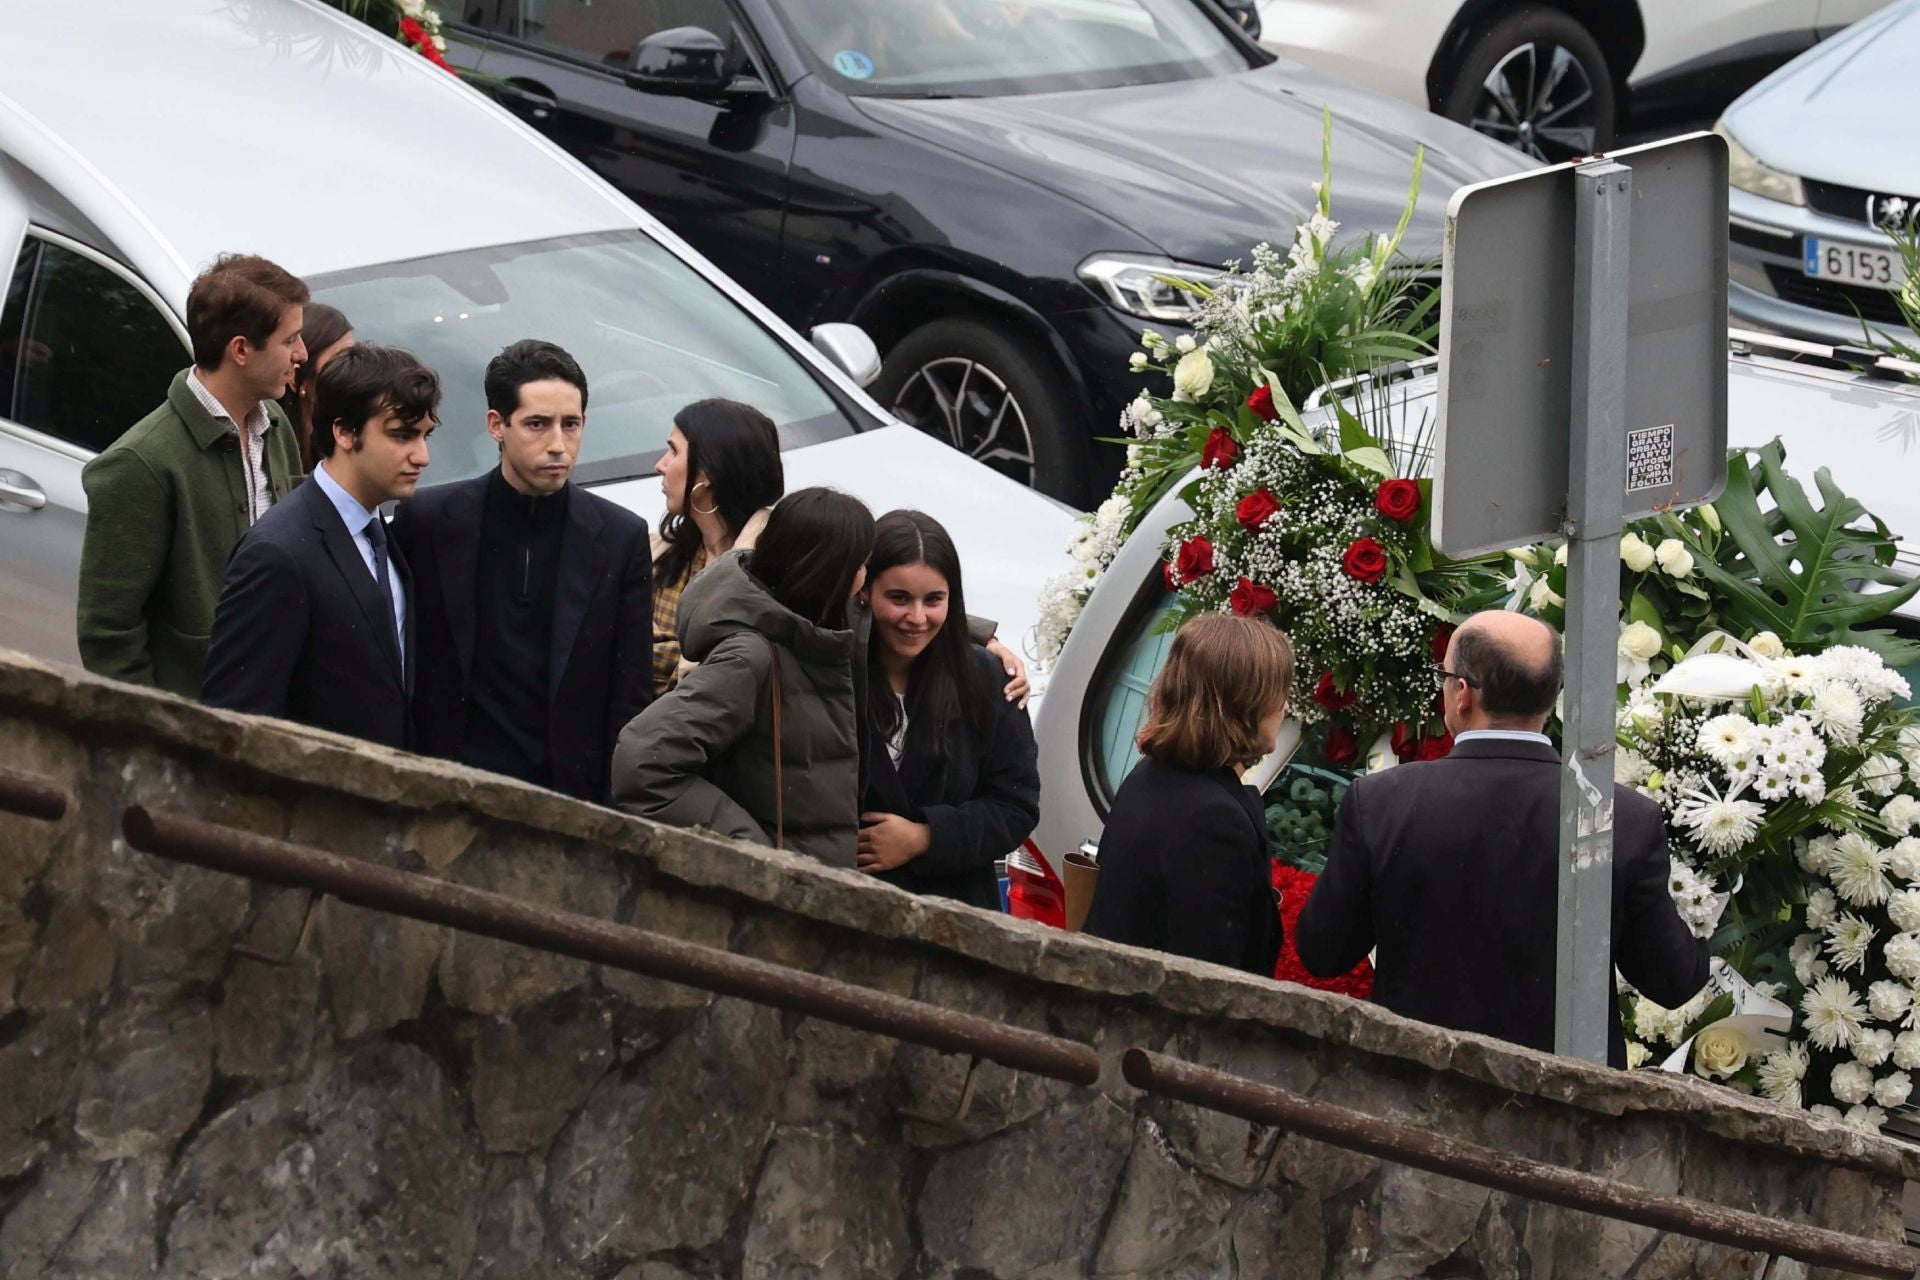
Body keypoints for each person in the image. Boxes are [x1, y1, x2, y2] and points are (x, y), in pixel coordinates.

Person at [1293, 610, 1709, 1067]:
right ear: (1550, 695)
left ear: (1463, 694)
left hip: (1415, 1083)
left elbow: (1323, 951)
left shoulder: (1382, 802)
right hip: (1565, 1095)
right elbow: (1672, 981)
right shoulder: (1622, 817)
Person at [389, 340, 653, 803]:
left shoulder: (620, 537)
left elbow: (630, 689)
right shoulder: (428, 522)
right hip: (448, 787)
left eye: (570, 424)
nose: (558, 445)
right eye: (537, 424)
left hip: (568, 794)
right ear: (497, 425)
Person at [76, 253, 309, 697]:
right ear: (241, 350)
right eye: (290, 340)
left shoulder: (275, 424)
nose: (302, 354)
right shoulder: (138, 464)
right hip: (197, 719)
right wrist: (157, 726)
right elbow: (108, 635)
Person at [613, 487, 874, 865]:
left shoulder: (820, 637)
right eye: (861, 565)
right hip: (775, 891)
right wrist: (751, 851)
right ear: (831, 572)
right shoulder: (751, 657)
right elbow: (642, 762)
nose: (865, 579)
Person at [200, 345, 440, 748]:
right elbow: (236, 722)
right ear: (344, 432)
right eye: (402, 435)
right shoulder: (276, 555)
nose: (423, 456)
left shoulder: (381, 531)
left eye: (425, 435)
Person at [1082, 614, 1290, 976]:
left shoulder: (1149, 775)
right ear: (1243, 704)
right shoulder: (1214, 819)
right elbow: (1210, 979)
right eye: (1279, 692)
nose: (1285, 707)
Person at [855, 510, 1040, 909]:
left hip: (956, 917)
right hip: (846, 911)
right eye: (899, 598)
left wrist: (926, 837)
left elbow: (1016, 806)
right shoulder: (834, 672)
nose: (917, 618)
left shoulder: (989, 678)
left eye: (933, 600)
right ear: (864, 589)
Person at [650, 399, 784, 695]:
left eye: (674, 451)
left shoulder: (767, 571)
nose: (660, 465)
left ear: (707, 472)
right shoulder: (661, 552)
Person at [277, 303, 356, 472]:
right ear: (295, 376)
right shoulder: (274, 449)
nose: (354, 370)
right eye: (339, 361)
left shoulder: (353, 434)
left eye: (354, 358)